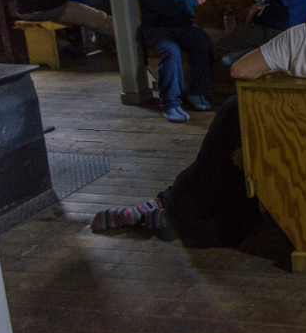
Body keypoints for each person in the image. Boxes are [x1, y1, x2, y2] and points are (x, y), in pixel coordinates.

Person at [89, 95, 261, 248]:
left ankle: (150, 209)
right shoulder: (244, 111)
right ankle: (157, 217)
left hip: (188, 188)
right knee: (224, 228)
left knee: (205, 181)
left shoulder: (237, 103)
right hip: (200, 211)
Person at [138, 0, 211, 122]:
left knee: (203, 43)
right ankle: (170, 103)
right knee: (171, 52)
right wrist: (194, 0)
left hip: (183, 25)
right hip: (159, 29)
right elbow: (169, 9)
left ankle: (197, 93)